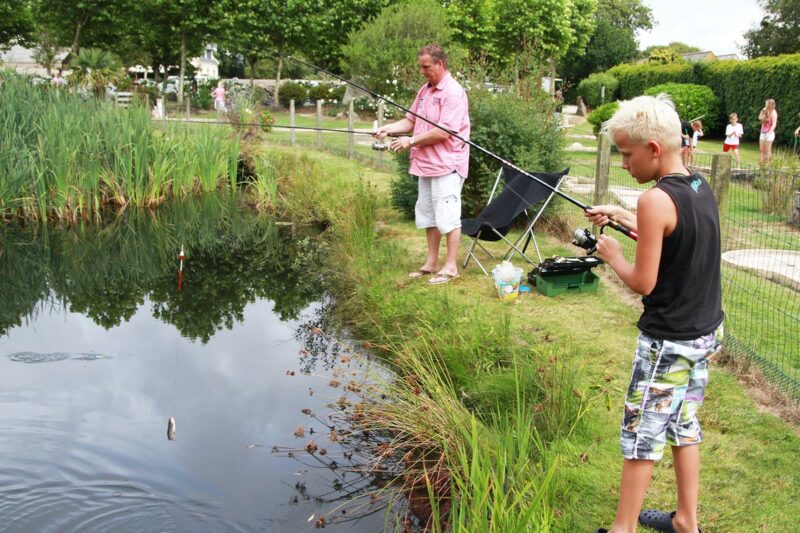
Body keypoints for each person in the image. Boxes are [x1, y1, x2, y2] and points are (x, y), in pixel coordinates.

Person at [586, 94, 724, 533]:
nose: (624, 164)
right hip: (704, 332)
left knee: (641, 432)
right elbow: (674, 233)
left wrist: (611, 255)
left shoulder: (654, 200)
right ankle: (686, 519)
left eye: (627, 155)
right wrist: (622, 214)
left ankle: (621, 528)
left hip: (668, 339)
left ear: (652, 150)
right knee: (683, 423)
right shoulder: (699, 185)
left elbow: (643, 281)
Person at [372, 44, 470, 285]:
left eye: (426, 67)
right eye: (421, 67)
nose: (422, 71)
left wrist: (411, 140)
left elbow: (444, 132)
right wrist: (387, 128)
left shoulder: (453, 92)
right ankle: (432, 262)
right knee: (428, 215)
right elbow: (410, 121)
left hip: (448, 164)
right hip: (426, 164)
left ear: (440, 64)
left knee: (448, 217)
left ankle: (451, 267)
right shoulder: (425, 91)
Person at [758, 98, 777, 165]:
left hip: (769, 133)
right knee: (761, 150)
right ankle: (761, 165)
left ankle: (769, 166)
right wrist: (763, 111)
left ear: (770, 104)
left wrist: (769, 133)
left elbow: (774, 124)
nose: (765, 105)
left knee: (767, 151)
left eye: (767, 104)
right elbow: (759, 117)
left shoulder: (773, 113)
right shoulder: (765, 110)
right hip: (762, 133)